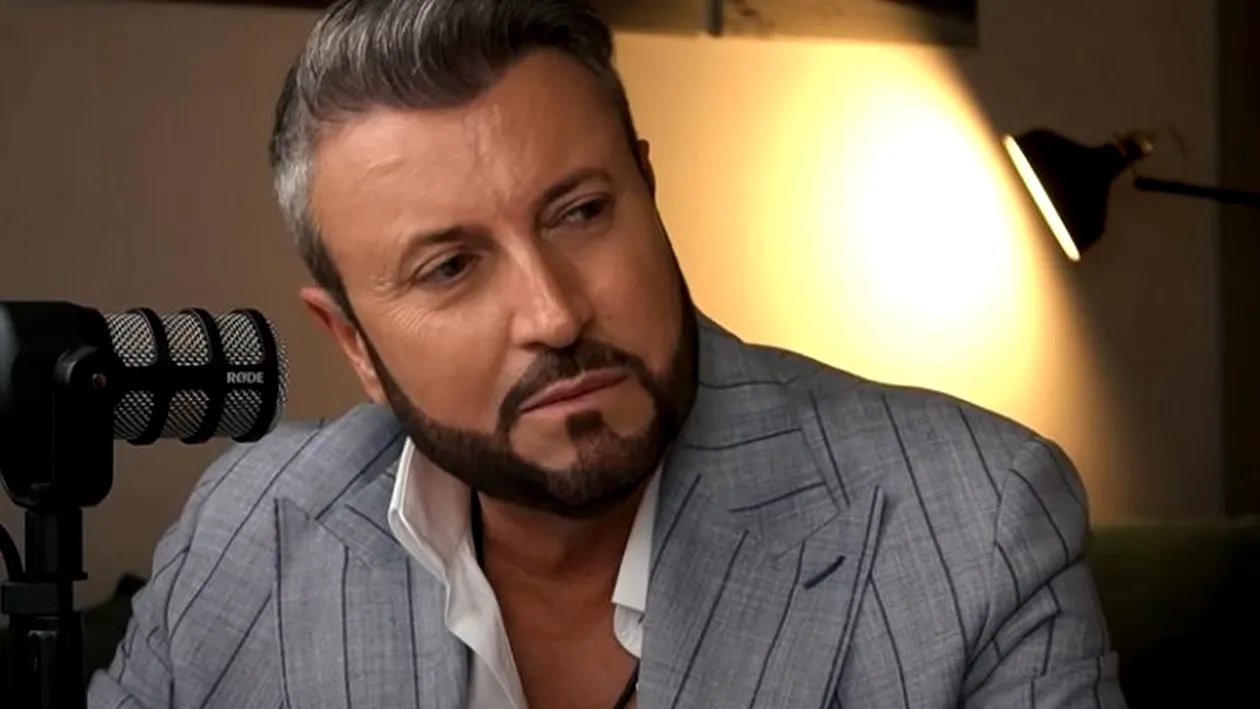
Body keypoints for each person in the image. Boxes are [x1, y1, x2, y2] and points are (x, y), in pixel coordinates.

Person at [87, 0, 1127, 707]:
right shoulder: (248, 531)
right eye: (451, 268)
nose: (552, 313)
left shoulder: (974, 523)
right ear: (353, 342)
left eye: (581, 212)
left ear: (647, 188)